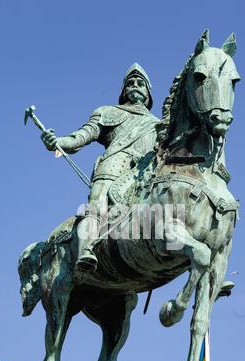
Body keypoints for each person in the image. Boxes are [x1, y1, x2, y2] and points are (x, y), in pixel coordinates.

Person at [41, 63, 159, 274]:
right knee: (96, 208)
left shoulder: (159, 125)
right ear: (123, 91)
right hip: (113, 168)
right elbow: (82, 136)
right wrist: (58, 140)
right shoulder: (107, 112)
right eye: (130, 83)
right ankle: (86, 249)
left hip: (145, 174)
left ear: (148, 92)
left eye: (141, 83)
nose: (135, 86)